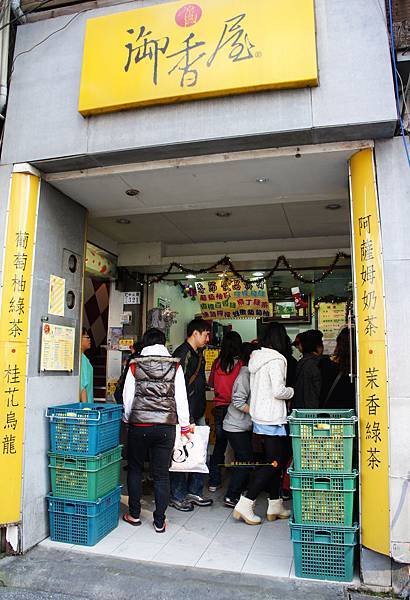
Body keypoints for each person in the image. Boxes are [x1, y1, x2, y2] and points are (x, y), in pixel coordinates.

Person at [122, 328, 191, 532]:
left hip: (139, 426)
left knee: (135, 469)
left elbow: (128, 397)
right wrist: (184, 425)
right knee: (161, 475)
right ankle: (160, 521)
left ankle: (134, 514)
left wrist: (127, 419)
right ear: (163, 343)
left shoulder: (135, 365)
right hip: (166, 427)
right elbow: (181, 398)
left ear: (145, 343)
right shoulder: (175, 366)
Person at [233, 323, 294, 525]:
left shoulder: (256, 358)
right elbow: (278, 391)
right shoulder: (277, 360)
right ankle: (246, 502)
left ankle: (275, 504)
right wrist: (292, 391)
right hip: (273, 417)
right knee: (275, 462)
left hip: (260, 416)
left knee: (274, 461)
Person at [169, 318, 213, 511]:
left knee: (199, 452)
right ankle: (177, 495)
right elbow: (177, 388)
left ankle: (194, 490)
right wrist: (186, 417)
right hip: (185, 415)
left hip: (197, 410)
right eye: (205, 334)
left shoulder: (198, 353)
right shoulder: (182, 354)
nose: (208, 338)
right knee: (181, 453)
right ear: (195, 333)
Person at [208, 330, 243, 491]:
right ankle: (238, 484)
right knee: (240, 447)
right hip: (237, 409)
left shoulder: (217, 363)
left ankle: (214, 481)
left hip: (219, 407)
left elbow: (211, 383)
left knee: (219, 445)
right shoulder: (241, 365)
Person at [222, 342, 256, 507]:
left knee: (244, 459)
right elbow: (237, 401)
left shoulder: (249, 374)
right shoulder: (245, 375)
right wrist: (256, 412)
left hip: (240, 425)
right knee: (245, 459)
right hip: (235, 426)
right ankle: (231, 495)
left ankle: (239, 491)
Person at [319, 327, 356, 410]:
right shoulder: (359, 368)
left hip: (332, 412)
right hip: (354, 411)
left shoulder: (326, 364)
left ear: (339, 344)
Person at [292, 329, 324, 409]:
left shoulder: (301, 363)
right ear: (317, 346)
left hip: (301, 410)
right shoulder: (318, 364)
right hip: (314, 411)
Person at [80, 327, 93, 403]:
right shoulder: (81, 358)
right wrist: (86, 407)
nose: (90, 339)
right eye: (87, 337)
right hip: (86, 405)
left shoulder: (83, 357)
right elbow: (82, 387)